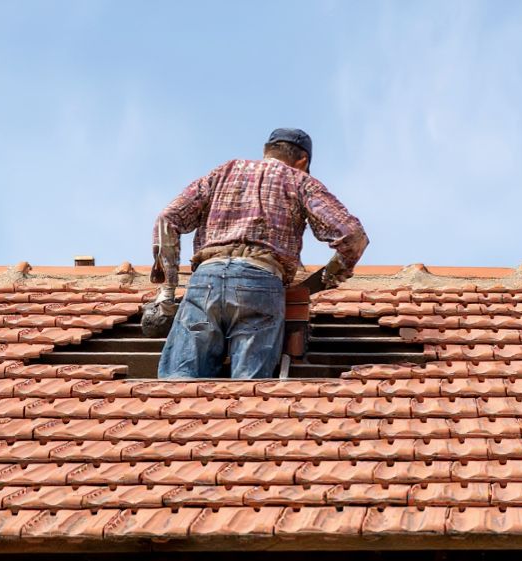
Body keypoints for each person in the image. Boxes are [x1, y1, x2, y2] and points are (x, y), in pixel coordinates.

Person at [150, 127, 369, 379]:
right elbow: (353, 236)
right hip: (260, 284)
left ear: (267, 151)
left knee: (180, 385)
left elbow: (167, 219)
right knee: (249, 393)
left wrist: (167, 292)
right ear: (303, 161)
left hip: (205, 283)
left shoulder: (224, 171)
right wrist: (325, 279)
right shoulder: (300, 180)